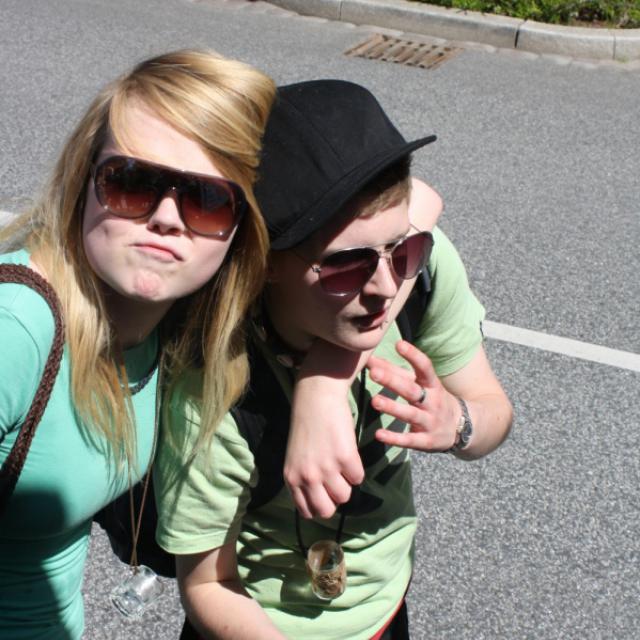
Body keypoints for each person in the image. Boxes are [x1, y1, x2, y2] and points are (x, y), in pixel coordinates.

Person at [155, 79, 513, 639]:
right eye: (347, 266)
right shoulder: (213, 393)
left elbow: (494, 410)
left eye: (404, 248)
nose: (385, 287)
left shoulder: (422, 272)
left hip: (385, 609)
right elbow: (207, 584)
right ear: (265, 261)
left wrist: (459, 423)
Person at [0, 49, 275, 639]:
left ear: (241, 228)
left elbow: (394, 211)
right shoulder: (16, 329)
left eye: (207, 199)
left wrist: (327, 383)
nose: (168, 218)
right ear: (84, 182)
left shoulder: (174, 323)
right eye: (131, 182)